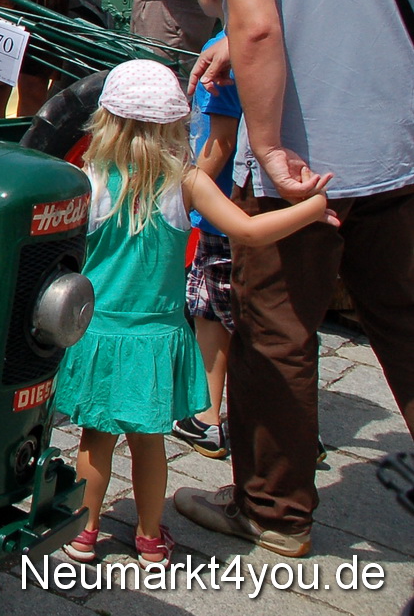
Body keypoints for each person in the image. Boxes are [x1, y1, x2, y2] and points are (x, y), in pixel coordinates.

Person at [175, 0, 414, 558]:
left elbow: (259, 23)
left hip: (308, 162)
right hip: (399, 145)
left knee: (276, 333)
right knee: (407, 325)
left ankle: (273, 512)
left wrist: (270, 146)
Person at [57, 60, 335, 565]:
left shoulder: (87, 179)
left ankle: (83, 531)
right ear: (172, 125)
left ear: (106, 120)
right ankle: (148, 538)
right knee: (148, 442)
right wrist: (312, 210)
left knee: (93, 439)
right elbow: (248, 231)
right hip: (156, 336)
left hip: (97, 333)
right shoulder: (185, 182)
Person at [173, 0, 240, 460]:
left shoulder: (221, 55)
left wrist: (186, 187)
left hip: (219, 204)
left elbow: (220, 140)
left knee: (212, 310)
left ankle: (208, 416)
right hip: (248, 198)